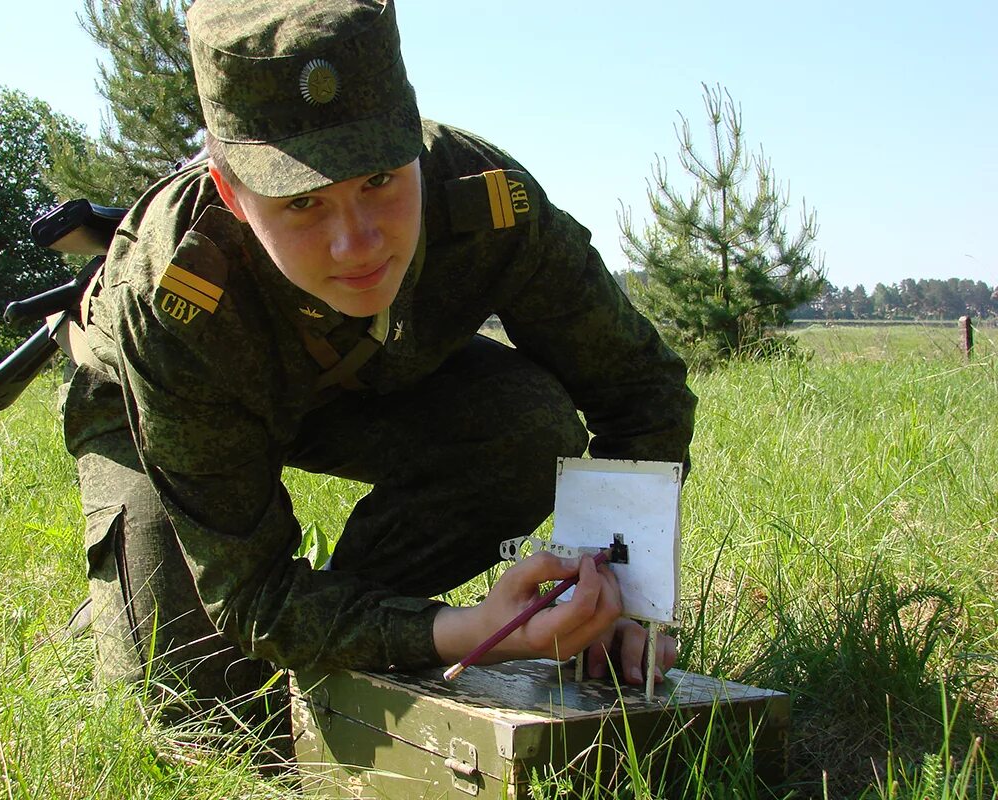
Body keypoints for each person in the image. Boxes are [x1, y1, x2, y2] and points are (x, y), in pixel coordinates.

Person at [62, 0, 697, 718]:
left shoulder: (485, 202)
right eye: (302, 205)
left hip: (368, 386)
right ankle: (128, 586)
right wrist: (471, 632)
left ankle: (354, 616)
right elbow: (251, 595)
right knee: (205, 709)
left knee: (528, 431)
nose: (357, 244)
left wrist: (622, 600)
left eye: (379, 181)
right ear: (231, 194)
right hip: (160, 408)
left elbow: (641, 392)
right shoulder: (176, 297)